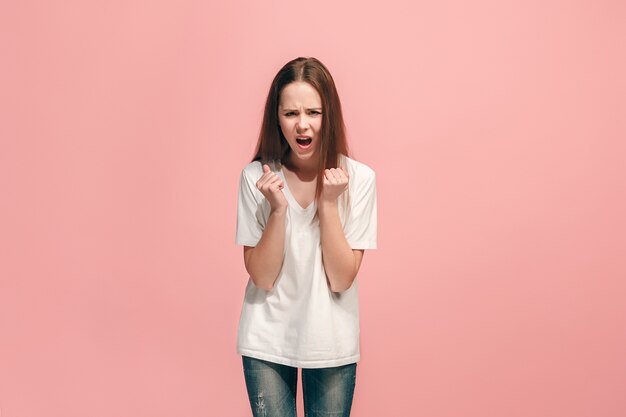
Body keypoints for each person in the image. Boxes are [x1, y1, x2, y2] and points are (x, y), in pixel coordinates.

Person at [235, 56, 377, 417]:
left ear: (329, 116)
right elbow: (262, 277)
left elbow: (342, 278)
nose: (302, 125)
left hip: (331, 342)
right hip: (266, 340)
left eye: (314, 112)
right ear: (276, 117)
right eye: (290, 113)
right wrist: (278, 210)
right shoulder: (257, 177)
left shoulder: (359, 180)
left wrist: (329, 205)